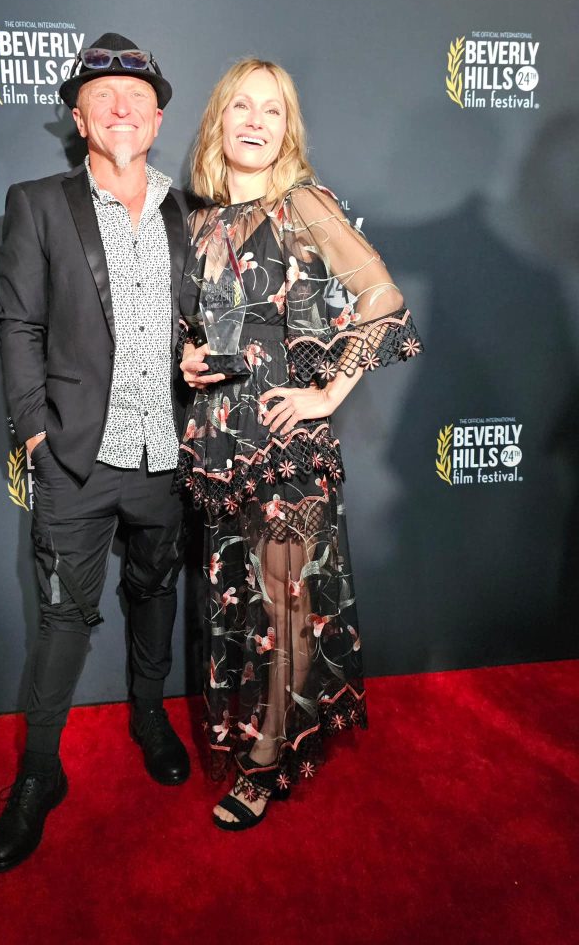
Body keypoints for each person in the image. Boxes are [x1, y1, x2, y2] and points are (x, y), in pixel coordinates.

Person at [175, 59, 423, 830]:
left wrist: (328, 394)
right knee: (240, 600)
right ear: (218, 120)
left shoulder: (303, 204)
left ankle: (267, 759)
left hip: (285, 446)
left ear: (288, 130)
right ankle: (254, 731)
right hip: (219, 443)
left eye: (272, 110)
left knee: (286, 606)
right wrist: (188, 356)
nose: (255, 121)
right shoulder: (197, 221)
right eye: (241, 106)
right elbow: (198, 324)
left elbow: (381, 297)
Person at [0, 33, 190, 873]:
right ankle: (40, 770)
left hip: (167, 453)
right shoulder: (38, 203)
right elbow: (17, 327)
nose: (121, 107)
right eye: (102, 95)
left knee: (155, 590)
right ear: (79, 117)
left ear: (159, 118)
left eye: (137, 97)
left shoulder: (189, 211)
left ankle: (149, 713)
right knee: (63, 616)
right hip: (75, 456)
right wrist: (35, 431)